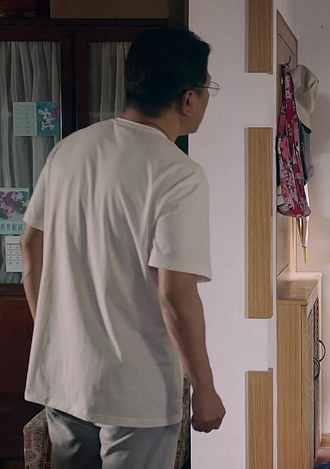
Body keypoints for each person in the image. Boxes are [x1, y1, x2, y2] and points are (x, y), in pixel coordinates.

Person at [21, 26, 225, 468]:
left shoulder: (67, 152)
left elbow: (30, 247)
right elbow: (175, 294)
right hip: (137, 394)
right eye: (208, 89)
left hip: (65, 379)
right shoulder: (177, 174)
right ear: (189, 99)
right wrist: (205, 388)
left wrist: (54, 332)